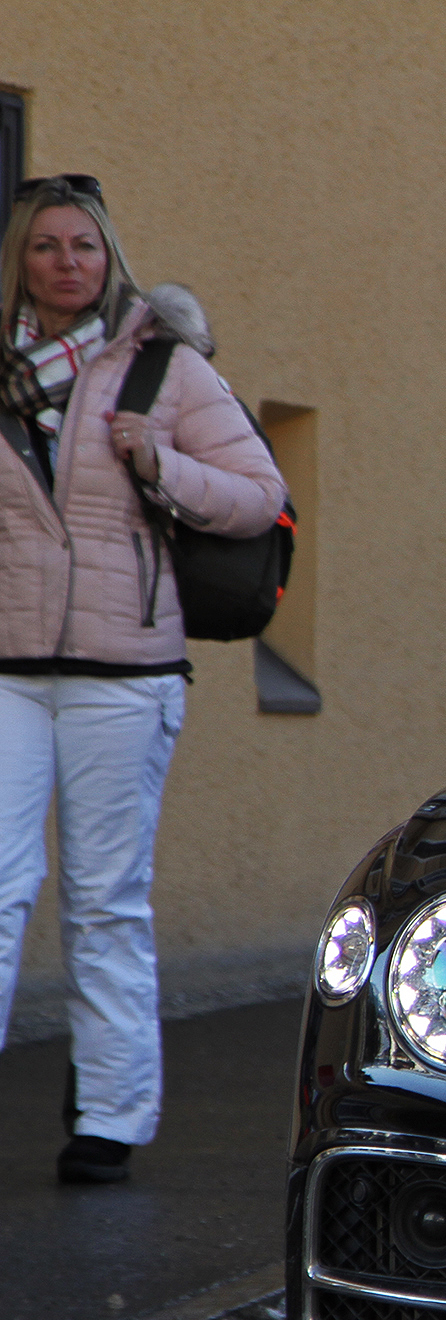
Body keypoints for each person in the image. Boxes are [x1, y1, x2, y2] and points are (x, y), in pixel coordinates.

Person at [0, 175, 287, 1185]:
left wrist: (161, 462)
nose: (66, 262)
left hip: (125, 670)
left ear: (107, 256)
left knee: (105, 898)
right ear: (20, 262)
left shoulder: (161, 365)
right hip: (9, 671)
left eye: (83, 246)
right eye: (45, 247)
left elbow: (261, 497)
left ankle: (110, 1116)